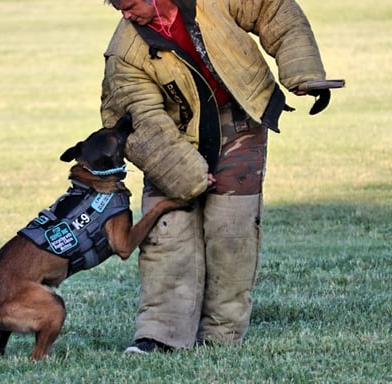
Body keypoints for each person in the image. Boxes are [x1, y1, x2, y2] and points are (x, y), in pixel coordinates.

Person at [100, 0, 337, 353]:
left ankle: (220, 336)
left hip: (240, 116)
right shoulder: (125, 51)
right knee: (167, 232)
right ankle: (160, 336)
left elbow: (274, 11)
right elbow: (140, 118)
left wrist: (302, 73)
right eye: (118, 8)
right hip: (173, 134)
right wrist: (187, 177)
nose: (125, 15)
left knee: (232, 228)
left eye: (129, 5)